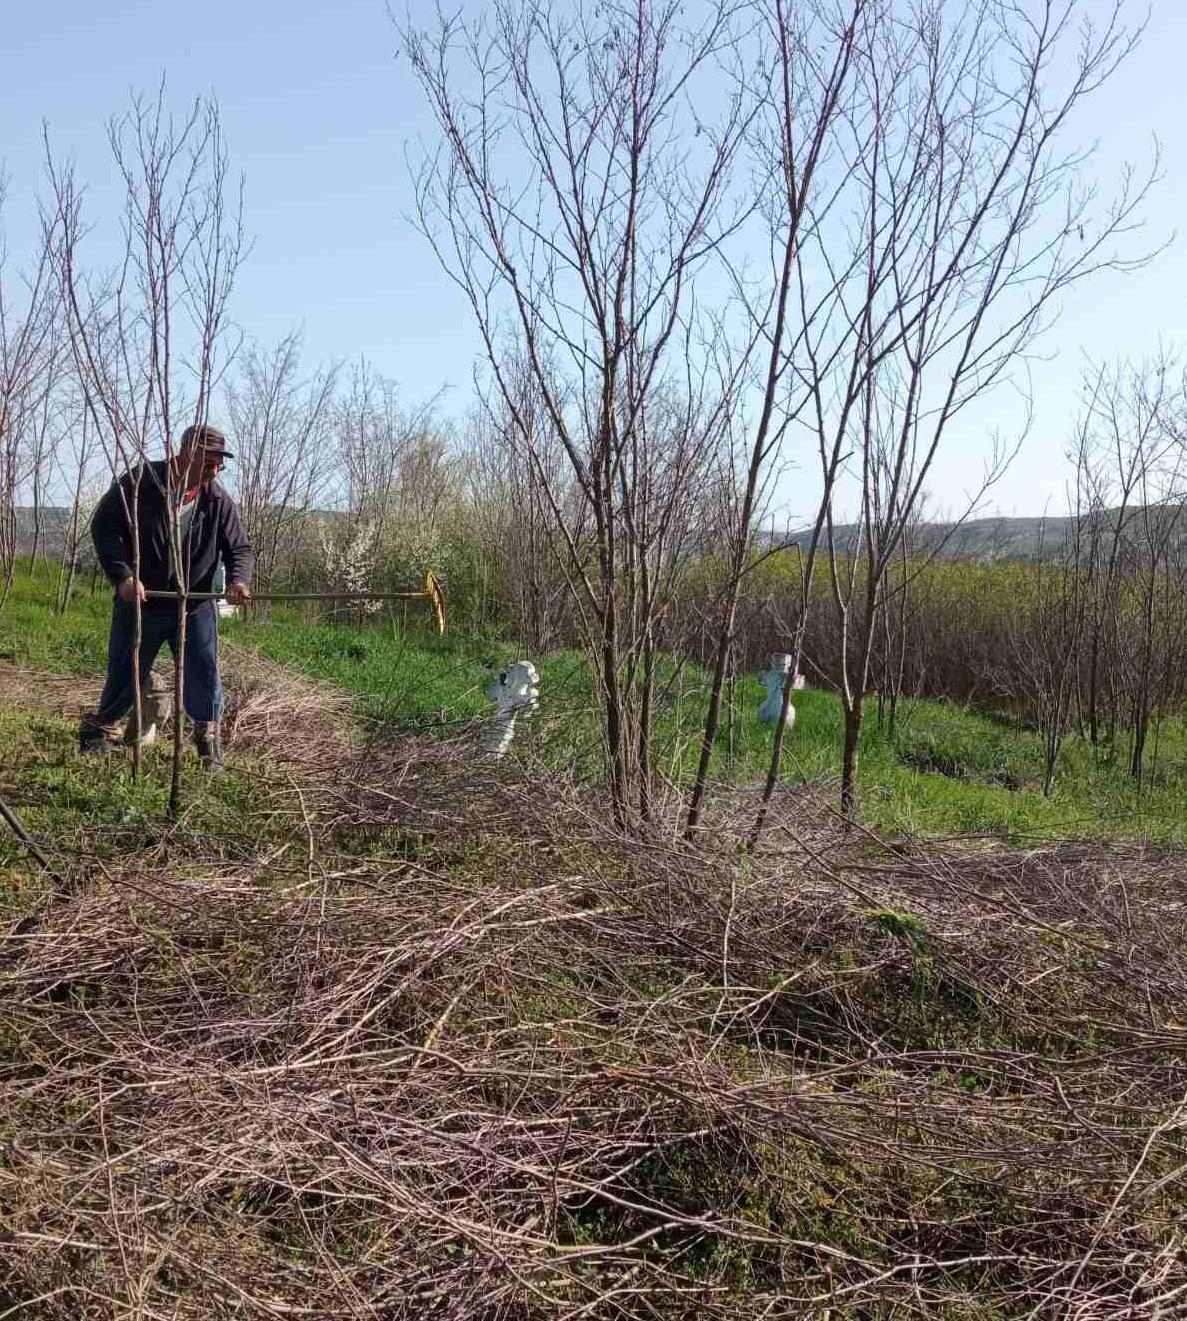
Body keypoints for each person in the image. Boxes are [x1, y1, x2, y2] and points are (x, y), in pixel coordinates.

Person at [79, 424, 254, 770]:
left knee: (204, 671)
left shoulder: (217, 501)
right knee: (127, 668)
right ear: (187, 454)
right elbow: (104, 526)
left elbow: (239, 548)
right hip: (142, 601)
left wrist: (238, 581)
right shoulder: (141, 483)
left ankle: (208, 746)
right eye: (210, 463)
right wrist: (124, 576)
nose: (216, 471)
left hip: (195, 604)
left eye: (220, 465)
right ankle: (99, 732)